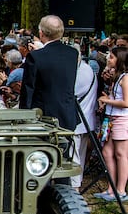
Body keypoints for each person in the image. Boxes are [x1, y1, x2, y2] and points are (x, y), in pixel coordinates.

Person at [20, 15, 79, 131]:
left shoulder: (35, 57)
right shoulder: (72, 53)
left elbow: (28, 88)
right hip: (67, 114)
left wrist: (23, 116)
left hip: (44, 117)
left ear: (41, 33)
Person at [94, 47, 128, 201]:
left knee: (121, 154)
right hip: (111, 118)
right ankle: (111, 187)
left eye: (112, 57)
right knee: (107, 153)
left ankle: (120, 190)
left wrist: (107, 100)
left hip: (121, 120)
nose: (109, 59)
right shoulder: (117, 77)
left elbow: (126, 102)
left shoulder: (126, 78)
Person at [71, 48, 98, 190]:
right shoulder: (87, 69)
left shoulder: (79, 73)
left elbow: (71, 93)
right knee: (79, 155)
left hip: (78, 120)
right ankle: (77, 182)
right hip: (86, 119)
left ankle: (74, 186)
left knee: (74, 155)